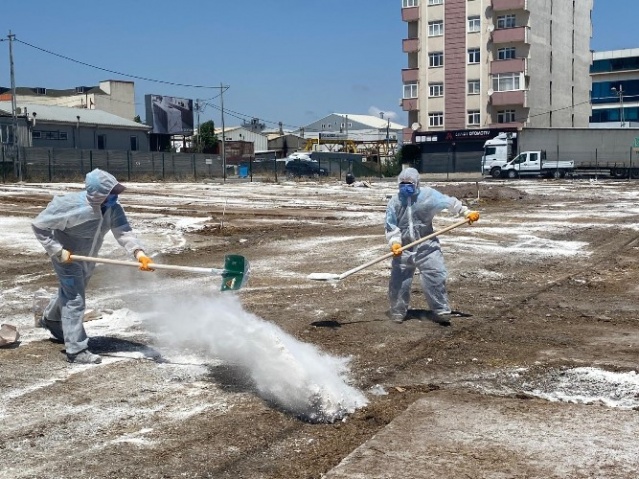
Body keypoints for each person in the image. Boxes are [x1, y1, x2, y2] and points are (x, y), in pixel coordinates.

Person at [32, 169, 154, 364]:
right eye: (111, 193)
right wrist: (56, 250)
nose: (115, 197)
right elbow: (39, 225)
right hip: (66, 258)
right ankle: (76, 350)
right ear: (99, 194)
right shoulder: (71, 206)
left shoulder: (112, 208)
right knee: (75, 299)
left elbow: (123, 231)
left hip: (88, 258)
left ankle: (52, 319)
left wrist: (139, 253)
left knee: (70, 292)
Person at [385, 167, 479, 326]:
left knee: (435, 275)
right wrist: (395, 242)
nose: (405, 187)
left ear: (417, 184)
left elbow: (448, 202)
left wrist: (465, 212)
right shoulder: (395, 202)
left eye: (409, 184)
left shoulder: (428, 196)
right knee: (399, 281)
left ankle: (441, 310)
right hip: (403, 248)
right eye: (402, 184)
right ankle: (397, 311)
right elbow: (391, 225)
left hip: (427, 245)